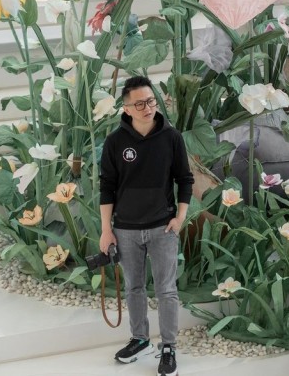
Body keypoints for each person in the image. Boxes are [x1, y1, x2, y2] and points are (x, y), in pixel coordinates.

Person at [99, 75, 194, 376]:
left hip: (162, 228)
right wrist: (106, 230)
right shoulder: (115, 142)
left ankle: (168, 347)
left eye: (151, 101)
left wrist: (180, 218)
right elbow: (107, 187)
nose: (147, 107)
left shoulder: (172, 137)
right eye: (139, 104)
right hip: (125, 229)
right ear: (126, 109)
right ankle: (140, 339)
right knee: (133, 287)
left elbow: (185, 180)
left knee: (166, 290)